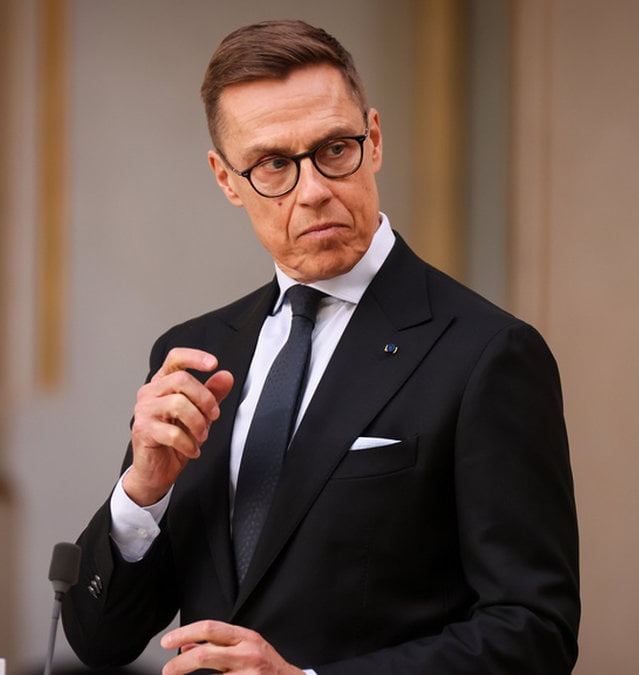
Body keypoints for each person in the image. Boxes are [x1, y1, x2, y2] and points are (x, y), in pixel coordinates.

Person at [63, 19, 579, 674]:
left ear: (375, 139)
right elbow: (100, 640)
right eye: (274, 164)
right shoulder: (194, 351)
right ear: (227, 179)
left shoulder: (490, 353)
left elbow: (534, 632)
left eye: (335, 149)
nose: (313, 190)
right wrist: (142, 492)